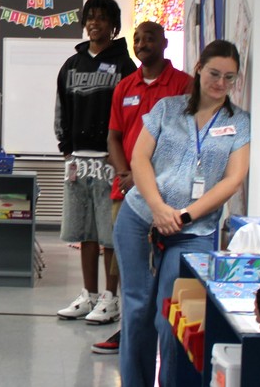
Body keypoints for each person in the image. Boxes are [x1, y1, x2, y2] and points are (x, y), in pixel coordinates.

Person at [114, 40, 249, 387]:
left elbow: (233, 180)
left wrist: (183, 216)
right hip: (141, 219)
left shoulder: (241, 123)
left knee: (173, 315)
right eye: (214, 73)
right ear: (199, 69)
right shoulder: (166, 108)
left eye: (229, 77)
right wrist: (159, 208)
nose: (220, 83)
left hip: (194, 231)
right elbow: (139, 159)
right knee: (137, 309)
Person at [92, 21, 191, 354]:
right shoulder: (125, 86)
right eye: (137, 38)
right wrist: (126, 171)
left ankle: (168, 338)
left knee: (168, 268)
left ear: (164, 43)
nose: (142, 43)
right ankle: (128, 332)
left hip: (170, 195)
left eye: (150, 38)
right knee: (127, 267)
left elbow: (188, 141)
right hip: (127, 193)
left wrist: (146, 174)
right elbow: (113, 138)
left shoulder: (184, 86)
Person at [53, 0, 137, 323]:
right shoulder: (72, 65)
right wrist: (66, 147)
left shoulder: (124, 66)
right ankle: (88, 295)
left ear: (113, 25)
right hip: (78, 159)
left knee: (109, 233)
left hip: (110, 161)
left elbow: (131, 115)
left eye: (101, 19)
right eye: (90, 18)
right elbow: (61, 106)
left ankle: (110, 298)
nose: (94, 24)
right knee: (84, 232)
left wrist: (124, 161)